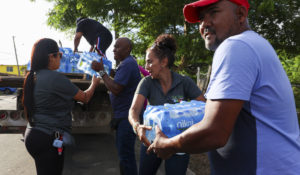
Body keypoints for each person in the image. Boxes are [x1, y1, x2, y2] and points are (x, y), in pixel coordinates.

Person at [147, 0, 300, 174]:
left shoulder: (236, 45)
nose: (204, 23)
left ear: (240, 15)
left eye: (214, 12)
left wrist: (168, 145)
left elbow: (215, 132)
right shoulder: (253, 44)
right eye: (201, 18)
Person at [128, 34, 206, 175]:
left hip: (178, 144)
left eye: (150, 62)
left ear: (163, 61)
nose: (146, 67)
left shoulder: (184, 82)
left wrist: (186, 115)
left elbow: (204, 107)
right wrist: (136, 126)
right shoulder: (147, 82)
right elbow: (133, 110)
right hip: (151, 140)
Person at [23, 38, 100, 175]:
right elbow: (85, 97)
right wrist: (94, 82)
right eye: (60, 55)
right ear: (50, 57)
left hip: (33, 135)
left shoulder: (32, 76)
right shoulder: (55, 78)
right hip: (48, 138)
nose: (61, 58)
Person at [91, 37, 140, 175]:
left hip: (126, 117)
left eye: (117, 47)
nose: (113, 49)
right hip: (123, 116)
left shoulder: (128, 64)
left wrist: (102, 72)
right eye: (114, 46)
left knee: (126, 156)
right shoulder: (126, 64)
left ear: (128, 49)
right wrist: (108, 70)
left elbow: (116, 88)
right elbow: (118, 78)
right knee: (124, 155)